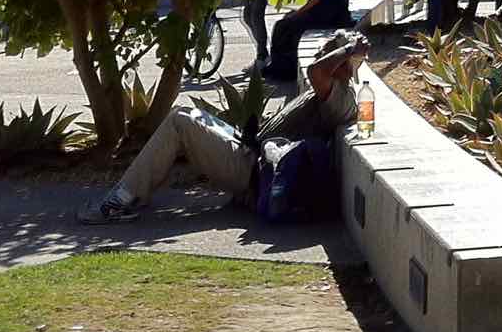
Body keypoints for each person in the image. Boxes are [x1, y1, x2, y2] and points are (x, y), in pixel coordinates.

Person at [76, 30, 368, 225]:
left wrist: (349, 49)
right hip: (251, 155)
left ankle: (120, 200)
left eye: (331, 53)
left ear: (341, 64)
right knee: (186, 113)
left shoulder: (340, 95)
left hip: (253, 171)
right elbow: (319, 70)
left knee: (180, 122)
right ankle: (132, 193)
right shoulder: (333, 89)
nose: (322, 55)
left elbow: (315, 71)